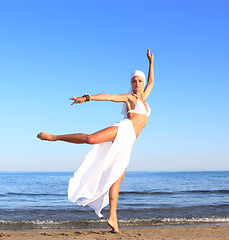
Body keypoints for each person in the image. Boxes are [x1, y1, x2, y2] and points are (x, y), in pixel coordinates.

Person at [37, 49, 154, 233]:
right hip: (124, 130)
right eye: (134, 81)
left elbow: (153, 81)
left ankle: (113, 218)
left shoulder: (145, 98)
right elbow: (108, 96)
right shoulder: (130, 98)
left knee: (116, 179)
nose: (137, 83)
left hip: (129, 142)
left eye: (140, 80)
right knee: (91, 139)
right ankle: (53, 137)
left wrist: (151, 62)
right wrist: (87, 98)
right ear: (130, 84)